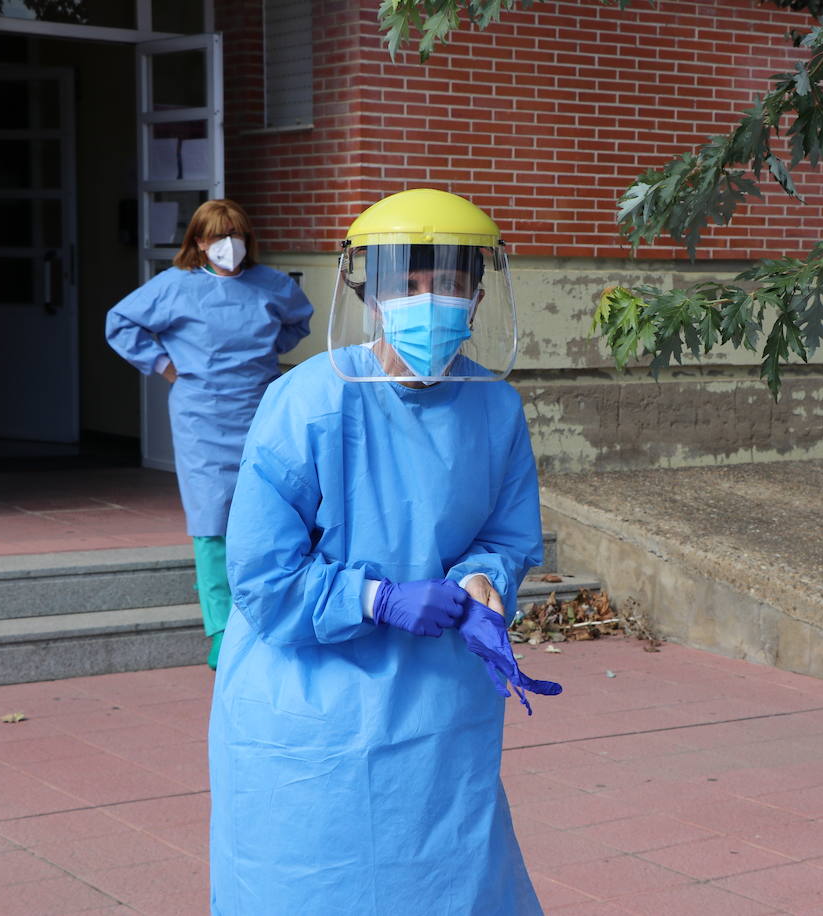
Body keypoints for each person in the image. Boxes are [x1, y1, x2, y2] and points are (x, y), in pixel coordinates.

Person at [208, 189, 557, 915]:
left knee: (445, 881)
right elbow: (263, 577)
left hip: (437, 707)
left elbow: (507, 536)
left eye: (450, 284)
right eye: (408, 284)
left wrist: (486, 579)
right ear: (370, 295)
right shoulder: (307, 403)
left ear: (478, 295)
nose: (430, 303)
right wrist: (378, 598)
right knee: (311, 886)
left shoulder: (494, 407)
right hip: (310, 706)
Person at [105, 199, 313, 670]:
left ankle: (263, 608)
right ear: (198, 242)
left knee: (265, 509)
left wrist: (265, 356)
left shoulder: (270, 285)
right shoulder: (177, 287)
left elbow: (299, 320)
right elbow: (120, 323)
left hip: (258, 408)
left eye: (235, 234)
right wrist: (164, 364)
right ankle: (220, 627)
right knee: (211, 518)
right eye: (217, 237)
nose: (228, 245)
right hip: (201, 414)